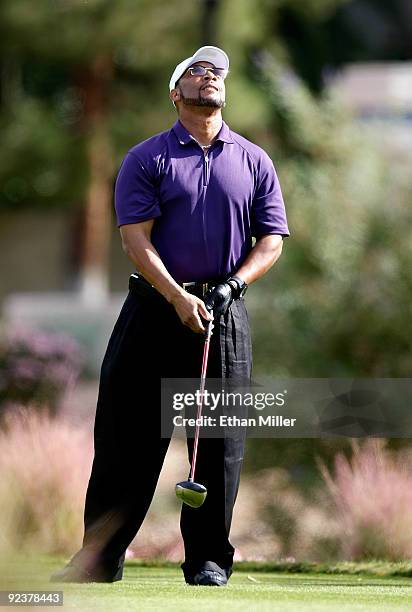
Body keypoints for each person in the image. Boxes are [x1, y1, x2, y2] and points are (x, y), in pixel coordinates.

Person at [51, 45, 289, 587]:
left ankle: (208, 559)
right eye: (197, 72)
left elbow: (271, 240)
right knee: (126, 439)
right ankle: (100, 558)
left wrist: (233, 284)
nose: (211, 79)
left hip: (223, 314)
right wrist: (177, 297)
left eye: (218, 74)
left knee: (219, 445)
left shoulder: (255, 161)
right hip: (154, 311)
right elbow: (136, 240)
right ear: (174, 93)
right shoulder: (147, 158)